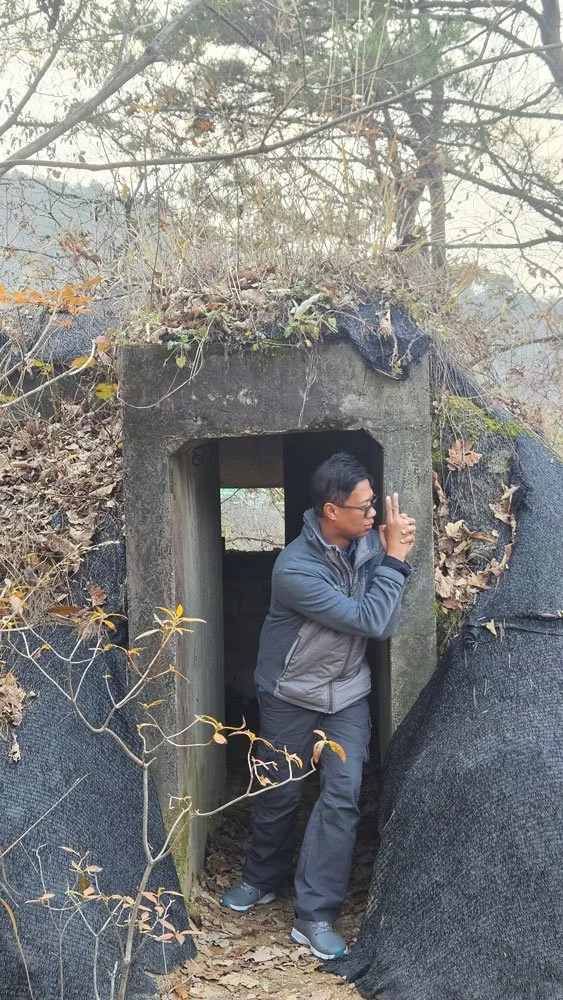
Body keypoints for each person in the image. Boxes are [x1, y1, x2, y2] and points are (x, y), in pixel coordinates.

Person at [221, 452, 416, 960]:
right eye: (364, 507)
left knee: (342, 795)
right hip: (291, 694)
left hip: (347, 692)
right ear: (332, 511)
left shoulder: (369, 543)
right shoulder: (295, 569)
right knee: (281, 790)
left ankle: (316, 914)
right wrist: (394, 561)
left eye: (375, 504)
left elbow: (384, 613)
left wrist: (391, 547)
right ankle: (262, 877)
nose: (373, 515)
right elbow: (371, 620)